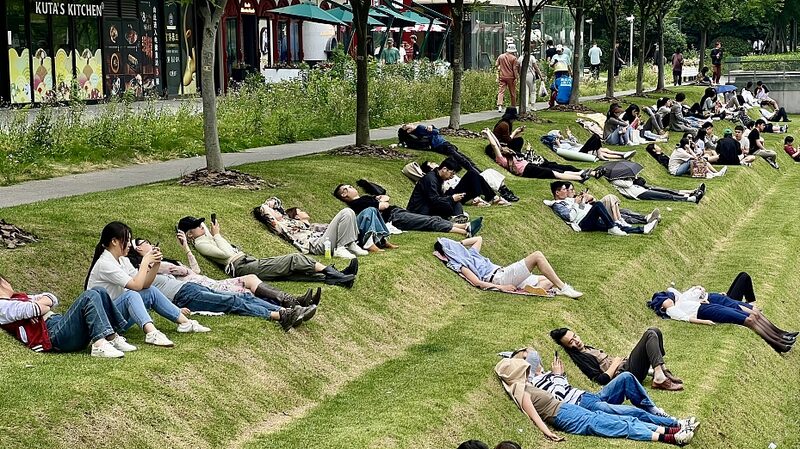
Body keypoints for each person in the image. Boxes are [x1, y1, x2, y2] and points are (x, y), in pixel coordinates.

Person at [495, 355, 695, 445]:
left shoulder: (526, 385)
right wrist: (548, 434)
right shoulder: (520, 389)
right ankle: (671, 436)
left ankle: (673, 428)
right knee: (617, 423)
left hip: (569, 408)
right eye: (523, 368)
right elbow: (532, 412)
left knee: (623, 419)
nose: (527, 369)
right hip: (565, 413)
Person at [127, 238, 315, 331]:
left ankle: (289, 310)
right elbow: (146, 293)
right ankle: (282, 314)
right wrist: (175, 308)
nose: (148, 243)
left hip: (193, 288)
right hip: (185, 295)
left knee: (241, 296)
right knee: (233, 302)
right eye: (141, 243)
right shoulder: (138, 272)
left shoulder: (152, 267)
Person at [85, 222, 210, 348]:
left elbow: (145, 285)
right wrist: (145, 261)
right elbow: (136, 286)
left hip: (117, 315)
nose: (129, 245)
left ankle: (185, 323)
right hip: (105, 321)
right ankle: (152, 333)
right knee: (131, 296)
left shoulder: (123, 260)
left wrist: (156, 263)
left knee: (150, 291)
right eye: (127, 240)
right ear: (114, 241)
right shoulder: (105, 264)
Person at [518, 348, 698, 429]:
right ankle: (676, 424)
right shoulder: (533, 384)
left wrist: (557, 375)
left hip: (589, 397)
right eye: (525, 357)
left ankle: (655, 410)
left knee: (626, 377)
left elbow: (533, 354)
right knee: (633, 413)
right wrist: (557, 375)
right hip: (582, 406)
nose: (532, 356)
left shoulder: (547, 373)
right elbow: (557, 399)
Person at [178, 215, 357, 287]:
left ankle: (338, 278)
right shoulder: (202, 244)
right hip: (241, 267)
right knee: (294, 259)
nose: (202, 226)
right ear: (190, 234)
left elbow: (210, 236)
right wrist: (217, 235)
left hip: (247, 262)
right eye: (197, 226)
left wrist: (212, 232)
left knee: (291, 273)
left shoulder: (205, 237)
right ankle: (333, 273)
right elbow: (226, 254)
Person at [647, 273, 797, 353]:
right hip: (705, 310)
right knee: (750, 319)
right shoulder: (673, 310)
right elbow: (687, 319)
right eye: (664, 302)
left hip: (710, 302)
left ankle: (780, 336)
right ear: (662, 307)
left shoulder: (677, 296)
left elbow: (681, 291)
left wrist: (700, 293)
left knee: (753, 315)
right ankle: (778, 343)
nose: (667, 301)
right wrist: (705, 322)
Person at [173, 227, 320, 306]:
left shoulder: (174, 265)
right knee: (251, 286)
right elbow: (225, 254)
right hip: (211, 284)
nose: (202, 227)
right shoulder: (167, 270)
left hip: (211, 282)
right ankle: (293, 302)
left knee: (254, 286)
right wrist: (189, 245)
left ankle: (295, 302)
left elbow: (196, 271)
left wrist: (186, 247)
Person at [0, 277, 135, 358]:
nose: (8, 283)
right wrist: (41, 306)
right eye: (5, 281)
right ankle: (99, 345)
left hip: (57, 324)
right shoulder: (3, 306)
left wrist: (42, 305)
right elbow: (38, 308)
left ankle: (111, 337)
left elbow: (51, 298)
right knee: (89, 296)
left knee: (99, 290)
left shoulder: (17, 298)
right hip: (53, 336)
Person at [435, 236, 583, 298]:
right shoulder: (462, 264)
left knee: (548, 279)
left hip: (504, 273)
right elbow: (477, 283)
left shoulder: (471, 254)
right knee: (537, 256)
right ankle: (564, 288)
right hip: (499, 278)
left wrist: (460, 244)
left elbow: (478, 238)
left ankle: (534, 290)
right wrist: (501, 288)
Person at [550, 327, 684, 391]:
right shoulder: (582, 358)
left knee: (655, 331)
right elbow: (600, 380)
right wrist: (615, 364)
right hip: (625, 374)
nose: (576, 341)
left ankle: (662, 371)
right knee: (650, 334)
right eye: (570, 342)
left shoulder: (586, 348)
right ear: (568, 347)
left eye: (574, 336)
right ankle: (659, 378)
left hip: (626, 366)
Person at [333, 183, 482, 236]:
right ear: (344, 194)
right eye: (349, 187)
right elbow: (383, 204)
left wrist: (380, 199)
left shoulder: (363, 199)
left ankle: (465, 226)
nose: (353, 188)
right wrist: (379, 200)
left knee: (433, 219)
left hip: (396, 212)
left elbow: (385, 198)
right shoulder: (357, 204)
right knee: (428, 222)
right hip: (393, 218)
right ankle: (464, 232)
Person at [254, 199, 369, 260]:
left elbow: (277, 201)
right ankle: (340, 248)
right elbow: (264, 211)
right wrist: (265, 206)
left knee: (350, 213)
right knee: (346, 212)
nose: (276, 211)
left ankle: (349, 244)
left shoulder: (286, 219)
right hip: (317, 245)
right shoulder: (279, 226)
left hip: (322, 240)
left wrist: (270, 203)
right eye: (273, 211)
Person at [407, 157, 508, 220]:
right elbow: (434, 200)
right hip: (421, 210)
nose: (452, 176)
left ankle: (458, 216)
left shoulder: (438, 178)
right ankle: (456, 216)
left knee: (471, 176)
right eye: (452, 173)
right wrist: (451, 199)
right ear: (444, 169)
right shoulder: (430, 179)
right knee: (454, 200)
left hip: (434, 201)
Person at [546, 181, 657, 236]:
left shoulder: (567, 200)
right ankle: (613, 228)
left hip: (588, 219)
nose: (566, 191)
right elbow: (571, 217)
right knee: (598, 205)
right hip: (582, 224)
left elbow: (581, 209)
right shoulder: (558, 205)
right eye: (564, 189)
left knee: (616, 226)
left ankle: (642, 229)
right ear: (557, 192)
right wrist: (575, 203)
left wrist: (582, 201)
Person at [484, 128, 595, 182]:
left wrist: (490, 132)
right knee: (554, 173)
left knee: (556, 171)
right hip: (526, 170)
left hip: (529, 166)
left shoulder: (508, 155)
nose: (501, 148)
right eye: (499, 149)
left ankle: (580, 174)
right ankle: (579, 177)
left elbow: (496, 144)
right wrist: (488, 134)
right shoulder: (501, 159)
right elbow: (494, 145)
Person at [541, 129, 635, 161]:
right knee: (596, 137)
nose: (560, 134)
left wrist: (570, 135)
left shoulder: (564, 141)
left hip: (580, 148)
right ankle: (621, 155)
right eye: (558, 133)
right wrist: (558, 144)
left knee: (604, 149)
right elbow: (564, 152)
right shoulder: (556, 146)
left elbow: (575, 142)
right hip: (578, 152)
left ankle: (623, 154)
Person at [608, 176, 704, 203]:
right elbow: (628, 184)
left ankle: (689, 195)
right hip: (637, 193)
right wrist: (629, 178)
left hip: (640, 190)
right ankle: (690, 199)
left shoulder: (619, 178)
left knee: (665, 192)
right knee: (664, 196)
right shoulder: (614, 181)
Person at [496, 43, 520, 112]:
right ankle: (513, 106)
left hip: (502, 76)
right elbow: (514, 69)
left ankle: (500, 105)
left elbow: (496, 64)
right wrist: (516, 77)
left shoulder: (501, 56)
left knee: (501, 91)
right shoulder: (514, 58)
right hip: (511, 77)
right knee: (512, 92)